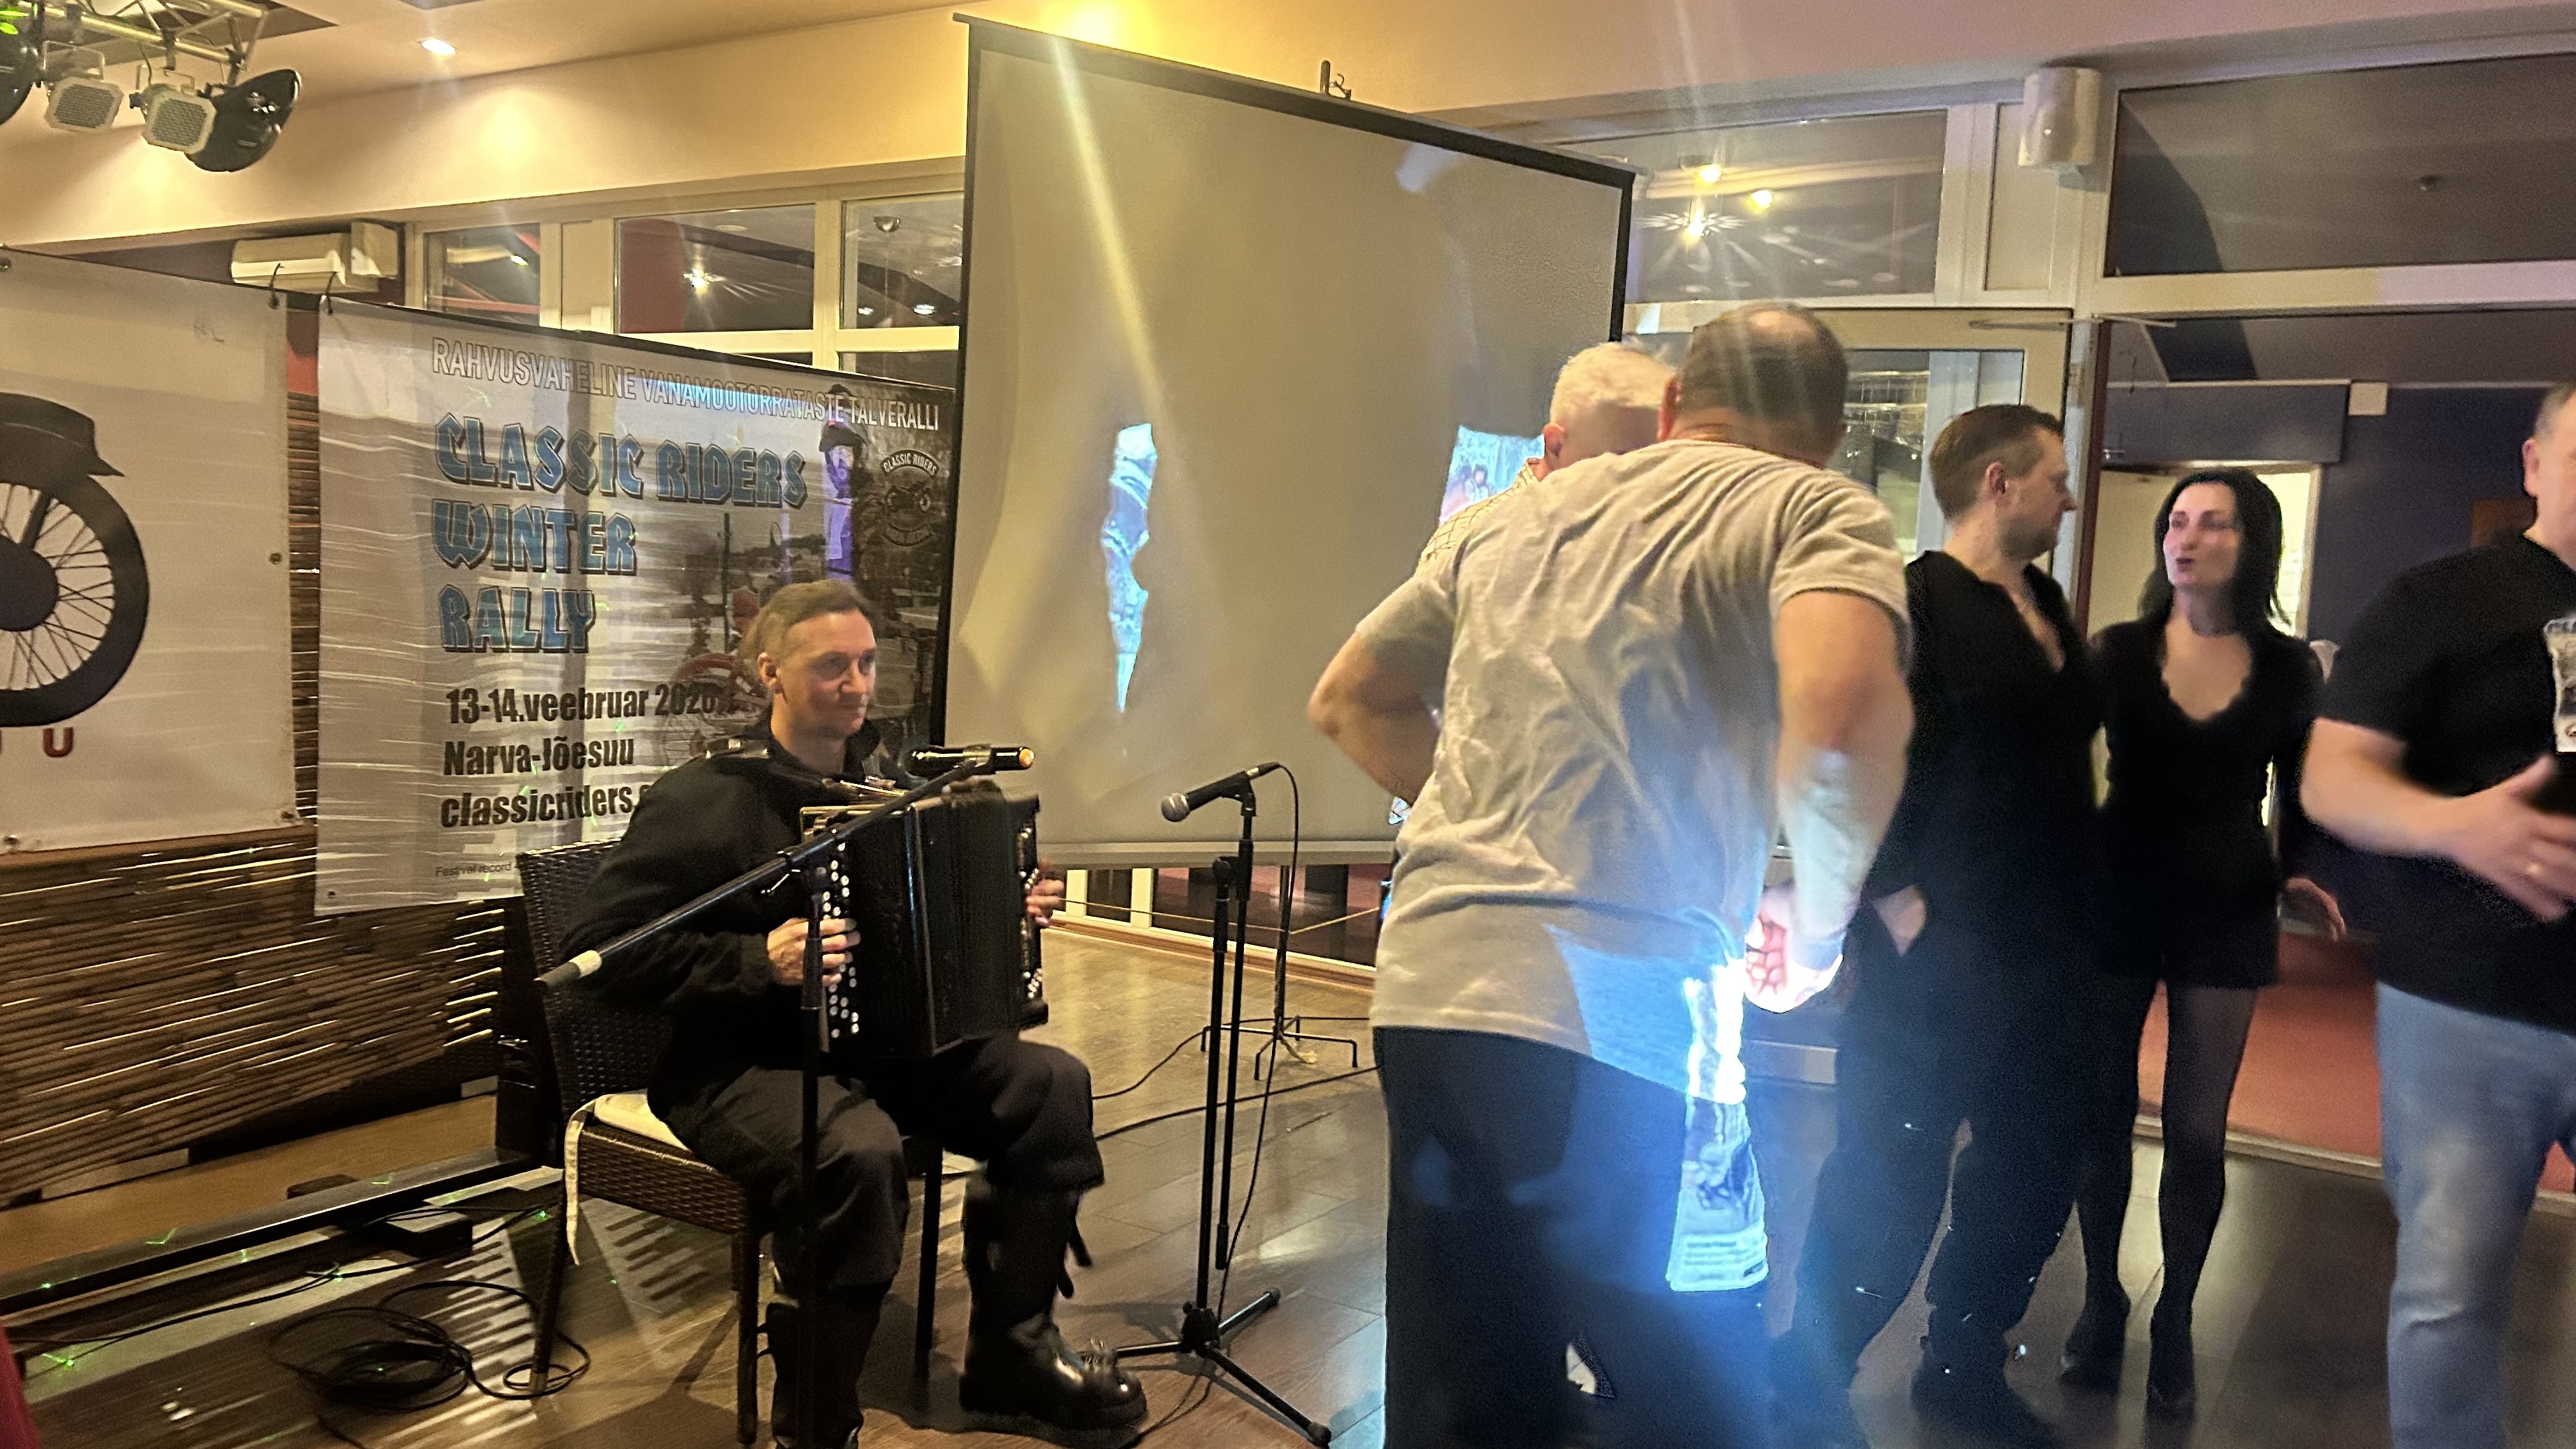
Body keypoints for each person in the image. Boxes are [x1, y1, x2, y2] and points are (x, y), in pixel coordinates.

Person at [1309, 302, 1914, 1448]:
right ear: (1832, 435)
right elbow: (1839, 729)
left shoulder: (1501, 524)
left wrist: (1490, 828)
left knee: (1466, 1402)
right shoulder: (1812, 508)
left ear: (1676, 403)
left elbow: (1349, 699)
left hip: (1432, 1000)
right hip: (1627, 1025)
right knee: (1707, 1401)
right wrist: (1818, 930)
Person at [563, 579, 1144, 1449]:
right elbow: (598, 956)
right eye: (832, 664)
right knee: (857, 1152)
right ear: (771, 672)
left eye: (867, 663)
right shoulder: (703, 798)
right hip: (739, 1064)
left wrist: (1009, 908)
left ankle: (1012, 1357)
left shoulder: (892, 784)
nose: (857, 683)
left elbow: (932, 924)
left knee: (1050, 1087)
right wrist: (756, 960)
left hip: (884, 1049)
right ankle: (817, 1425)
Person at [1772, 402, 2097, 1449]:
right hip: (1938, 946)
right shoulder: (1914, 602)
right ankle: (1808, 1375)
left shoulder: (2047, 602)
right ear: (1999, 483)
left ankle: (1962, 1360)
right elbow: (1849, 753)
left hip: (2049, 945)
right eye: (2055, 478)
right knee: (1890, 1166)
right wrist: (1897, 898)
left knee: (2034, 1159)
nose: (2068, 498)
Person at [2303, 381, 2576, 1449]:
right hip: (2469, 1006)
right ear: (2535, 465)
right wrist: (2456, 826)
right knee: (2449, 1297)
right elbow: (2331, 780)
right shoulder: (2441, 599)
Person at [2062, 468, 2345, 1419]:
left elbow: (2303, 789)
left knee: (2195, 1128)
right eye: (2177, 521)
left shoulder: (2288, 667)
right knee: (2100, 1108)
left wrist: (2302, 869)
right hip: (2119, 886)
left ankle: (2175, 1312)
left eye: (2214, 524)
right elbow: (2057, 761)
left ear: (2251, 541)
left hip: (2227, 896)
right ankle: (2101, 1298)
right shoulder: (2118, 650)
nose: (2188, 538)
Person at [1416, 342, 1674, 573]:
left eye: (1660, 466)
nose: (1642, 487)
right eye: (1623, 466)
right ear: (1555, 446)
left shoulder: (1643, 544)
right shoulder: (1469, 547)